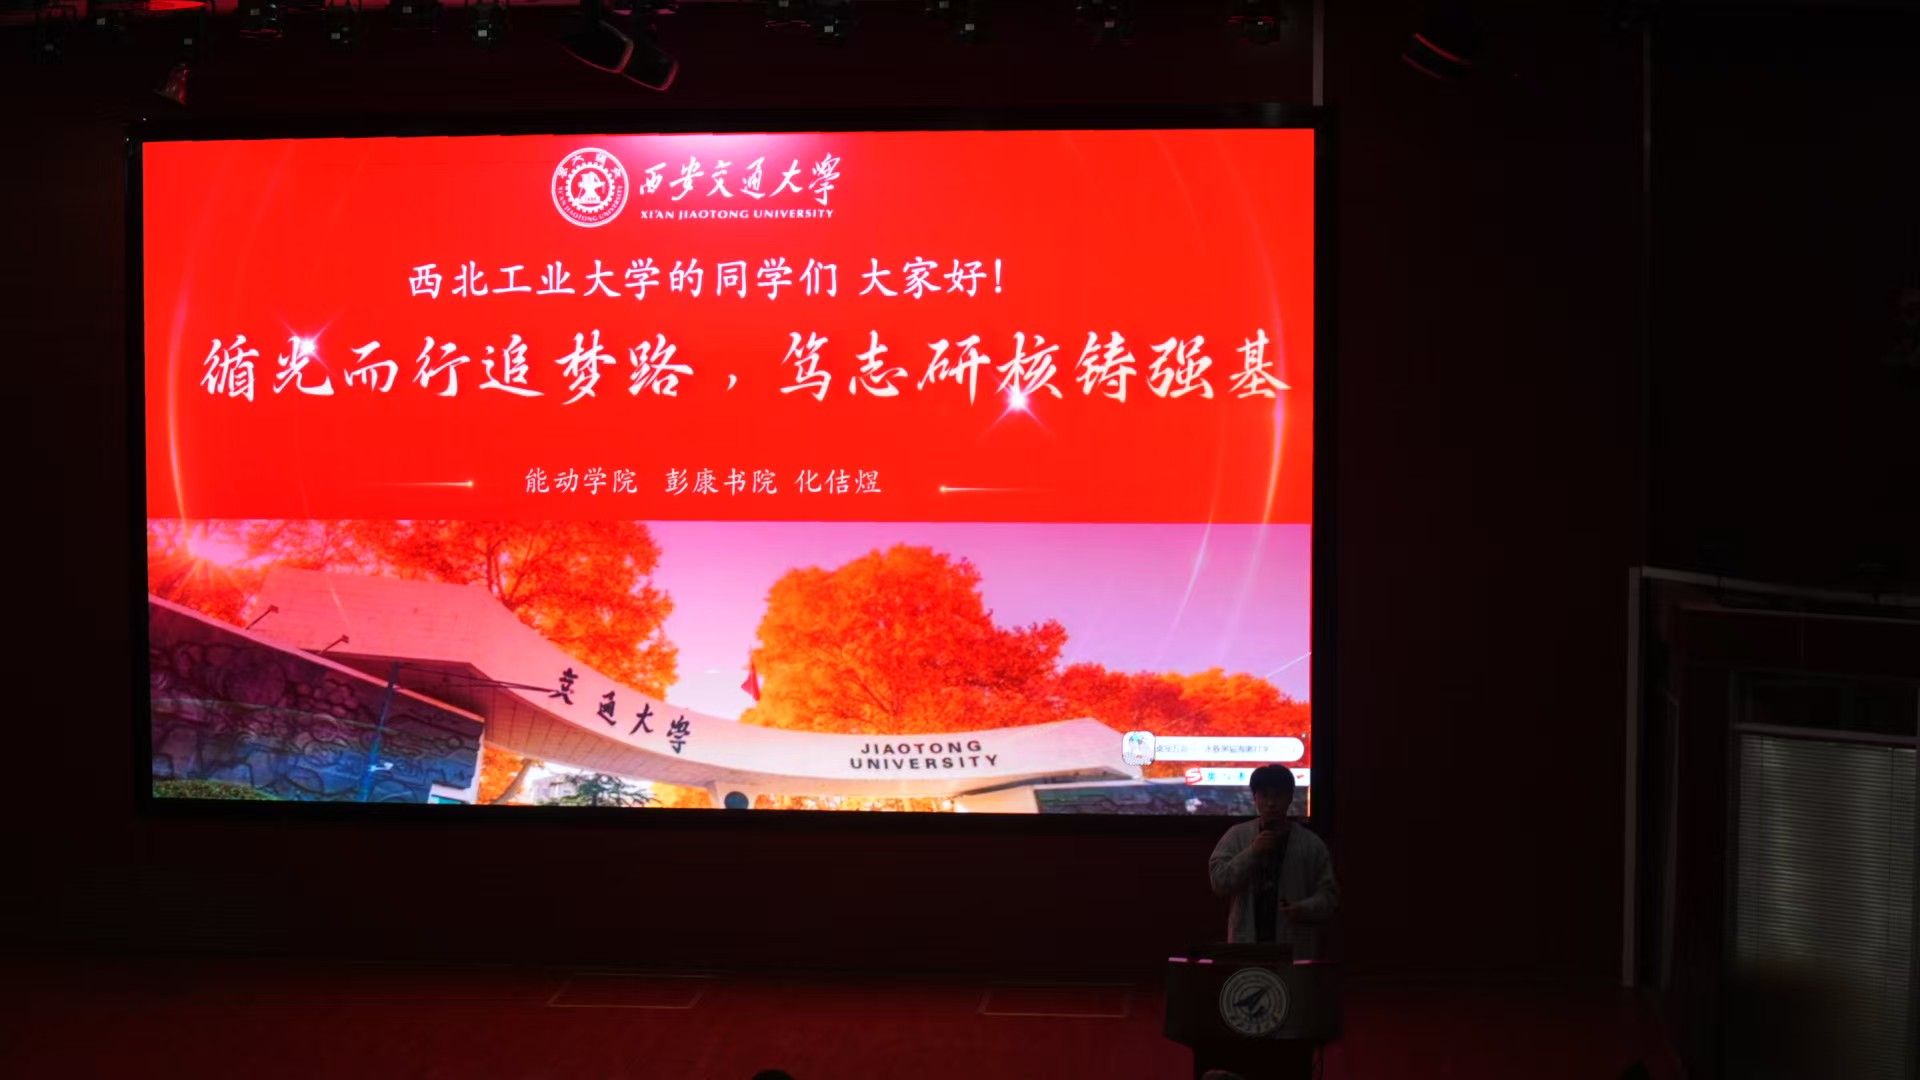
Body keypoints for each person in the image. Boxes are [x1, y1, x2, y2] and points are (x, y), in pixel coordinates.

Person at [1207, 765, 1338, 956]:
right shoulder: (1236, 836)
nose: (1271, 803)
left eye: (1278, 796)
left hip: (1294, 949)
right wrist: (1252, 852)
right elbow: (1218, 882)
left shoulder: (1311, 844)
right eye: (1264, 795)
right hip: (1246, 946)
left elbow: (1329, 897)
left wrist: (1304, 908)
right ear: (1255, 798)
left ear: (1290, 798)